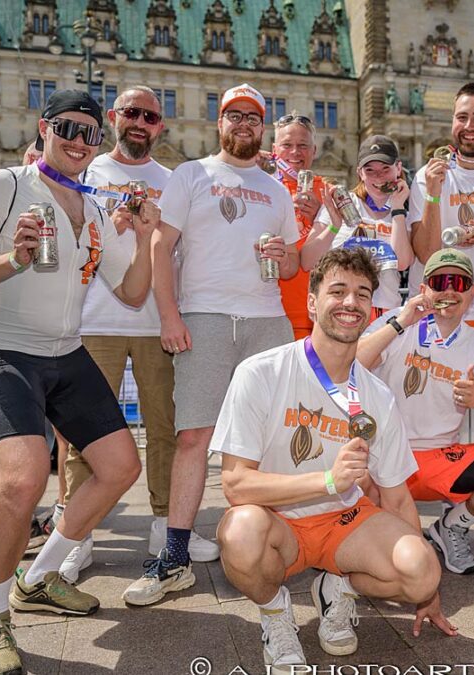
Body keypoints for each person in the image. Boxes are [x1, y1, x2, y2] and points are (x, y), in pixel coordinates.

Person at [0, 89, 156, 675]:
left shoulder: (97, 209)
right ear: (43, 127)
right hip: (1, 348)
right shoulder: (3, 186)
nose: (79, 142)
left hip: (65, 351)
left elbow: (132, 293)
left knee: (121, 467)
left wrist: (149, 237)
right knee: (22, 480)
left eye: (89, 134)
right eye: (67, 128)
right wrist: (13, 260)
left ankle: (39, 576)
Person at [212, 248, 455, 672]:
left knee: (421, 570)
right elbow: (235, 485)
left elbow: (397, 497)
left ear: (370, 308)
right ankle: (275, 613)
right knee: (239, 531)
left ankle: (337, 584)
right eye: (337, 290)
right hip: (278, 523)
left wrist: (428, 590)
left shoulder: (376, 395)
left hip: (345, 524)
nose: (350, 303)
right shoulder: (261, 371)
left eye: (362, 294)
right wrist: (327, 481)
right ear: (312, 301)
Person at [123, 83, 299, 604]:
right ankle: (174, 555)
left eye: (252, 116)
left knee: (273, 440)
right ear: (218, 123)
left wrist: (280, 253)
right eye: (233, 115)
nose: (243, 124)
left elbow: (290, 264)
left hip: (267, 321)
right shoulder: (191, 174)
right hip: (205, 316)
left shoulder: (277, 189)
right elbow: (160, 243)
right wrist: (170, 315)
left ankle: (275, 541)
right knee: (194, 436)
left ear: (262, 127)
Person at [57, 85, 200, 583]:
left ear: (161, 126)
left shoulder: (174, 179)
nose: (141, 122)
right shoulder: (88, 170)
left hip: (158, 321)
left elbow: (180, 250)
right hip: (93, 321)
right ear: (115, 117)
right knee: (84, 436)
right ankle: (78, 536)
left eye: (151, 116)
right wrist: (105, 226)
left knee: (166, 429)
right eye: (132, 113)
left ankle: (165, 525)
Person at [356, 248, 474, 579]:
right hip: (386, 453)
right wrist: (401, 322)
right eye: (440, 281)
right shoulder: (398, 321)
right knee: (383, 547)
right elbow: (349, 367)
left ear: (472, 293)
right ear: (424, 290)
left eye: (459, 282)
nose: (449, 291)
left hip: (439, 457)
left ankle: (450, 526)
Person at [408, 81, 474, 349]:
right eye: (462, 117)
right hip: (433, 313)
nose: (469, 127)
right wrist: (433, 193)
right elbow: (427, 254)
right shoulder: (426, 176)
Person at [304, 134, 413, 316]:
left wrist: (397, 209)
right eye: (369, 170)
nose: (378, 177)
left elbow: (401, 263)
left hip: (384, 311)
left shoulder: (405, 211)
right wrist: (334, 227)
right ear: (359, 173)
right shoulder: (343, 203)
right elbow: (307, 261)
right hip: (341, 307)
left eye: (385, 168)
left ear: (398, 168)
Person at [271, 112, 326, 339]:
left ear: (314, 150)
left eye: (303, 145)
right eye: (287, 145)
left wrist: (319, 220)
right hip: (266, 315)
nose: (295, 152)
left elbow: (345, 251)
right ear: (275, 149)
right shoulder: (258, 188)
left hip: (315, 317)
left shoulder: (330, 192)